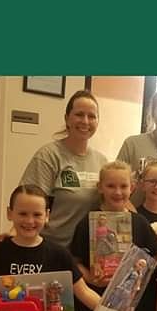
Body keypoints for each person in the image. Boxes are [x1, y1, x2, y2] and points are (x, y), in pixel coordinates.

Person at [69, 160, 157, 311]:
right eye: (111, 186)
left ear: (133, 187)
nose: (118, 192)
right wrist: (88, 277)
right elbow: (74, 262)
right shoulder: (87, 223)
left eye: (123, 186)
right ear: (100, 187)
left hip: (132, 304)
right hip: (95, 301)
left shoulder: (139, 223)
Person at [20, 90, 109, 250]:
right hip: (51, 251)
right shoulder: (48, 156)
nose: (85, 121)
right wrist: (15, 235)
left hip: (86, 255)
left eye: (92, 116)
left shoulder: (102, 161)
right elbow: (28, 205)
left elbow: (114, 202)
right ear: (67, 118)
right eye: (79, 114)